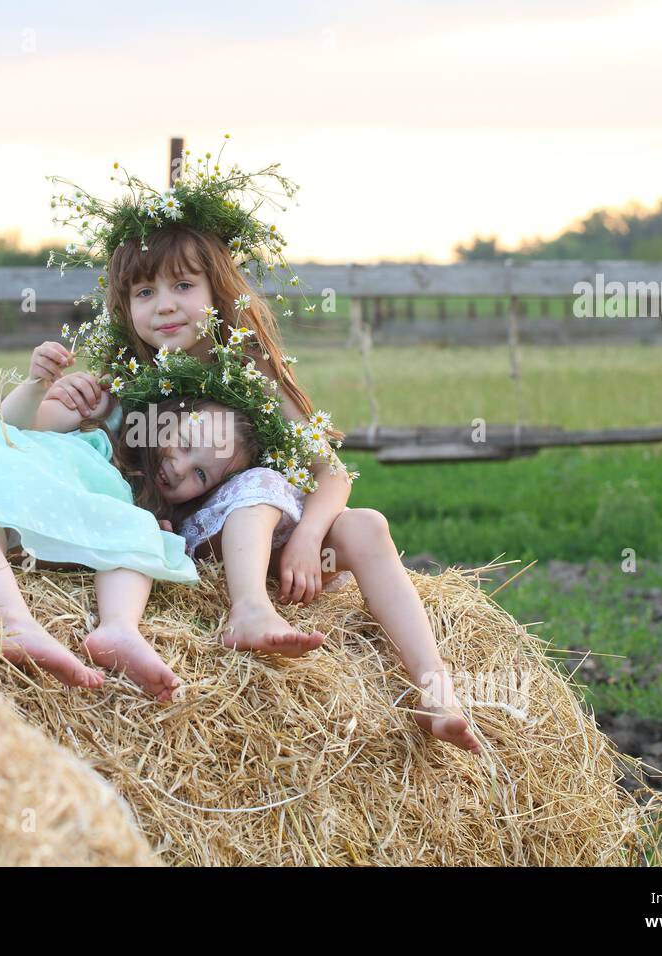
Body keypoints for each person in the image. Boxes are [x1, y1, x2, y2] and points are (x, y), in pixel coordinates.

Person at [44, 145, 483, 753]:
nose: (165, 304)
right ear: (125, 308)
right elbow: (56, 438)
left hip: (285, 551)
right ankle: (247, 611)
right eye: (144, 292)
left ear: (218, 291)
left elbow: (332, 474)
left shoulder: (255, 375)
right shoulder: (127, 382)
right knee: (256, 486)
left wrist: (307, 538)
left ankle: (437, 694)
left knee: (367, 526)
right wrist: (58, 391)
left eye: (182, 285)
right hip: (199, 552)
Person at [0, 339, 263, 702]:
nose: (179, 467)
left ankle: (119, 629)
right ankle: (11, 620)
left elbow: (109, 539)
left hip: (23, 531)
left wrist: (148, 530)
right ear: (167, 417)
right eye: (185, 444)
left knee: (139, 538)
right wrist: (38, 385)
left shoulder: (132, 504)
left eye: (201, 475)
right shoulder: (106, 422)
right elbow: (11, 427)